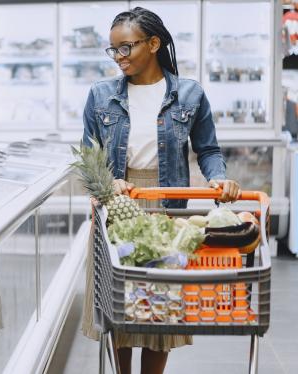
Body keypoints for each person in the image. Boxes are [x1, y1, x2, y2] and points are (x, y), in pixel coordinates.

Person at [80, 7, 241, 374]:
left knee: (160, 309)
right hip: (117, 205)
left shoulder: (189, 95)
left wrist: (218, 180)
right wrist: (108, 183)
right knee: (120, 306)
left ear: (154, 44)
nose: (119, 57)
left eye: (127, 48)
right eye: (114, 50)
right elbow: (89, 157)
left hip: (169, 209)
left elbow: (209, 150)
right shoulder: (100, 95)